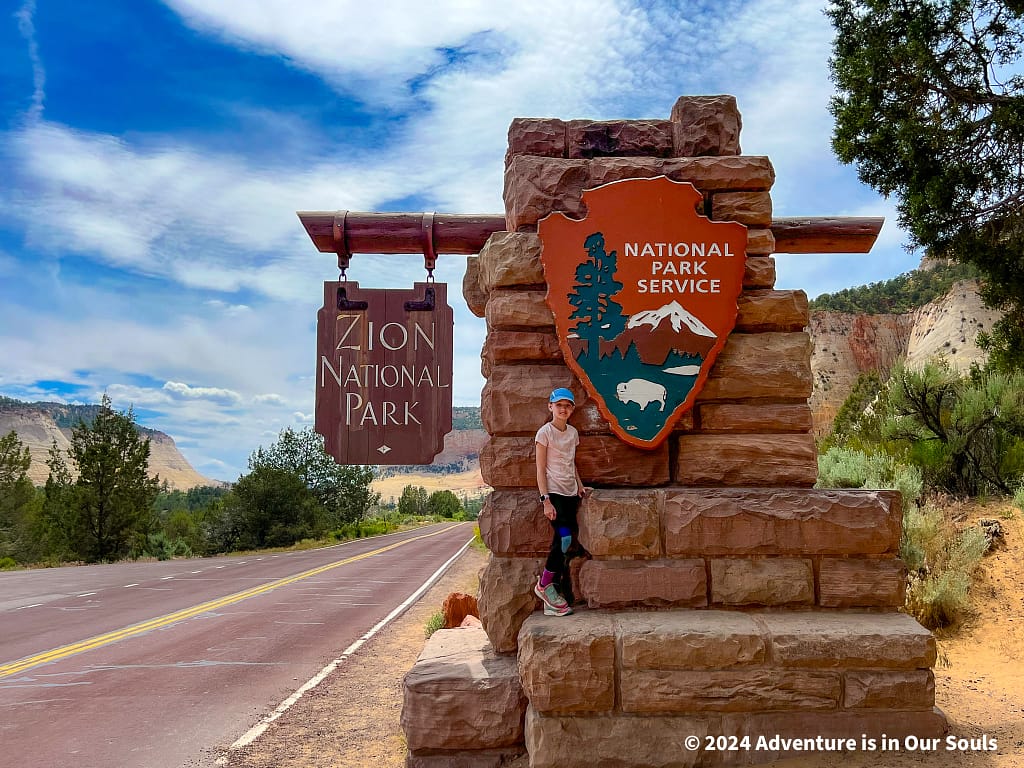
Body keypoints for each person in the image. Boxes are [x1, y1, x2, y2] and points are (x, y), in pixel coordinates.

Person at [533, 387, 589, 617]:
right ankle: (544, 586)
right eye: (559, 405)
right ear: (551, 407)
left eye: (567, 405)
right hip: (554, 494)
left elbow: (571, 462)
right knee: (564, 539)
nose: (563, 409)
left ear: (572, 409)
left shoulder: (573, 433)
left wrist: (580, 485)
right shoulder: (544, 433)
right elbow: (540, 469)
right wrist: (545, 500)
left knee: (567, 542)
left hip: (570, 494)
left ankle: (552, 595)